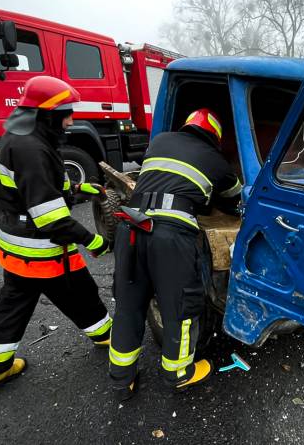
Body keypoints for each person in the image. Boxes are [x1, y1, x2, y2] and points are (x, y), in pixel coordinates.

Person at [0, 75, 113, 390]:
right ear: (46, 113)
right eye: (65, 113)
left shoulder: (20, 136)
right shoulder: (31, 148)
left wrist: (80, 188)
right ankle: (106, 336)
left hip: (15, 244)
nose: (70, 120)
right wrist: (94, 240)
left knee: (13, 302)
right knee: (79, 291)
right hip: (41, 248)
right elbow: (52, 219)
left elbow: (39, 188)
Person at [109, 108, 241, 400]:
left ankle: (122, 379)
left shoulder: (161, 141)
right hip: (169, 236)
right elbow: (234, 200)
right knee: (180, 306)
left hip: (131, 225)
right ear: (214, 137)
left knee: (129, 303)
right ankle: (179, 373)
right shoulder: (216, 161)